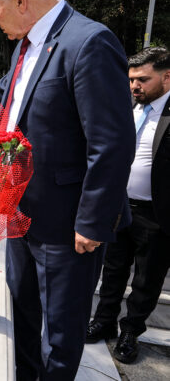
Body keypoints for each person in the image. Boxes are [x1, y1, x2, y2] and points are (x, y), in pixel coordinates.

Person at [0, 0, 135, 379]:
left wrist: (93, 222)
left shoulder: (88, 42)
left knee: (61, 331)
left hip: (67, 225)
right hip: (21, 214)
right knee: (23, 313)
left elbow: (111, 143)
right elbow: (3, 91)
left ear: (20, 0)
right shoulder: (27, 44)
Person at [86, 47, 170, 363]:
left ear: (167, 76)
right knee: (113, 271)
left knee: (146, 281)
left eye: (143, 80)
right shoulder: (128, 107)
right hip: (119, 207)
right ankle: (103, 323)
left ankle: (130, 332)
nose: (135, 86)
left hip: (157, 216)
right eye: (132, 80)